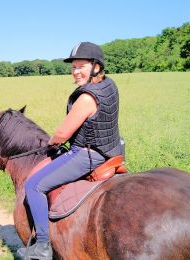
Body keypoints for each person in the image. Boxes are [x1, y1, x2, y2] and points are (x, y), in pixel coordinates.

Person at [17, 42, 123, 259]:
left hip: (88, 154)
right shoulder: (109, 85)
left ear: (96, 66)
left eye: (81, 66)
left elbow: (63, 134)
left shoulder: (86, 97)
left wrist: (52, 142)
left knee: (33, 185)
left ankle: (43, 246)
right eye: (73, 67)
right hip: (112, 148)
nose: (75, 72)